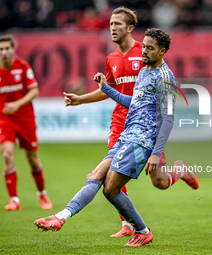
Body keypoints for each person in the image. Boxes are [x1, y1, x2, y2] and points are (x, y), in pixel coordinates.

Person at [35, 28, 181, 247]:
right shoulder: (144, 71)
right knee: (95, 176)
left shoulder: (165, 78)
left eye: (150, 49)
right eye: (144, 46)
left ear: (162, 51)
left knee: (110, 188)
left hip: (141, 140)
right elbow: (134, 102)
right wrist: (106, 88)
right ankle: (61, 217)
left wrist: (156, 153)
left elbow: (168, 119)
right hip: (127, 134)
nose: (144, 51)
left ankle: (141, 230)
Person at [62, 6, 199, 238]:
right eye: (110, 24)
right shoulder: (113, 59)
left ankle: (178, 172)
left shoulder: (149, 59)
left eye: (117, 24)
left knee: (159, 182)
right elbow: (116, 92)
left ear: (130, 28)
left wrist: (156, 150)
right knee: (109, 176)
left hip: (148, 129)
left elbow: (166, 112)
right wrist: (83, 99)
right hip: (122, 124)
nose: (112, 28)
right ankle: (129, 225)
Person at [0, 34, 52, 211]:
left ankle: (42, 194)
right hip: (5, 120)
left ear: (13, 49)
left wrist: (17, 103)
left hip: (25, 119)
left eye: (7, 48)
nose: (4, 52)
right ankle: (14, 199)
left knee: (32, 159)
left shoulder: (23, 67)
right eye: (1, 49)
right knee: (7, 155)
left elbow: (34, 91)